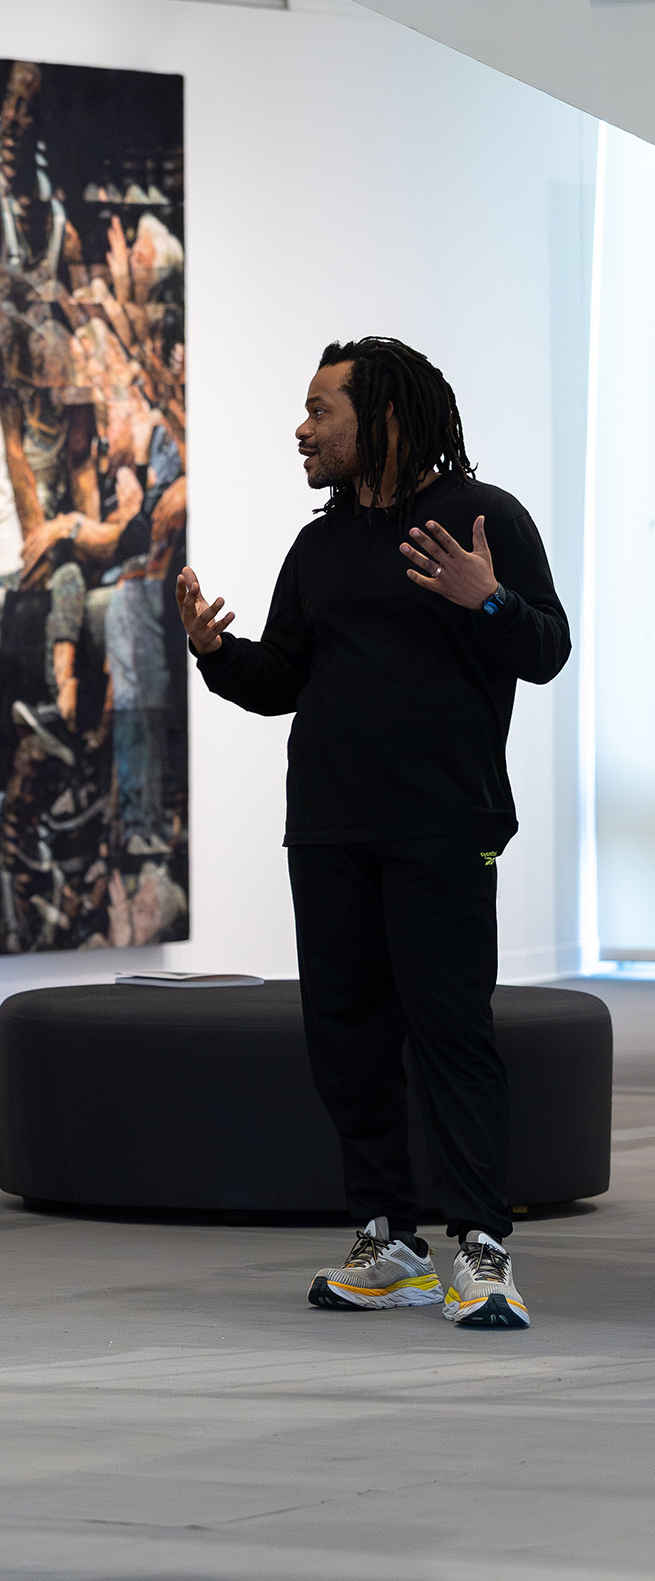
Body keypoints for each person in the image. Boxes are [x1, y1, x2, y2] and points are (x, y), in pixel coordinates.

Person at [180, 337, 567, 1331]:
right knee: (346, 1039)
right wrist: (217, 654)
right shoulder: (318, 547)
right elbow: (287, 682)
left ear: (383, 417)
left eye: (321, 411)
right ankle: (386, 1236)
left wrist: (487, 599)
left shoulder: (484, 521)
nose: (301, 430)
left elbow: (546, 650)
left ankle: (479, 1249)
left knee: (449, 1034)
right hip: (326, 827)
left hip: (444, 823)